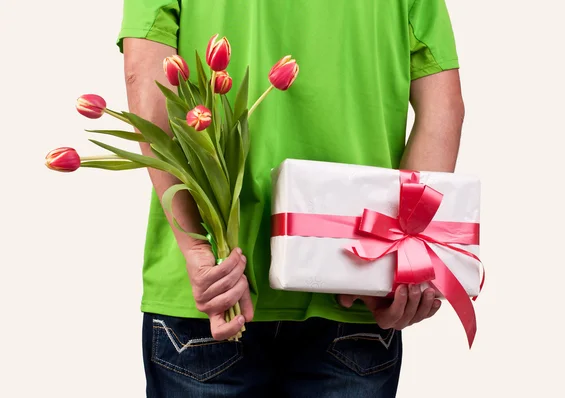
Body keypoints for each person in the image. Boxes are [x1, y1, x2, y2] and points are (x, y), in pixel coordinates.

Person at [117, 0, 465, 396]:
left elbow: (146, 86)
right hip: (353, 285)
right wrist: (400, 260)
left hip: (216, 286)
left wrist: (197, 251)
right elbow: (444, 108)